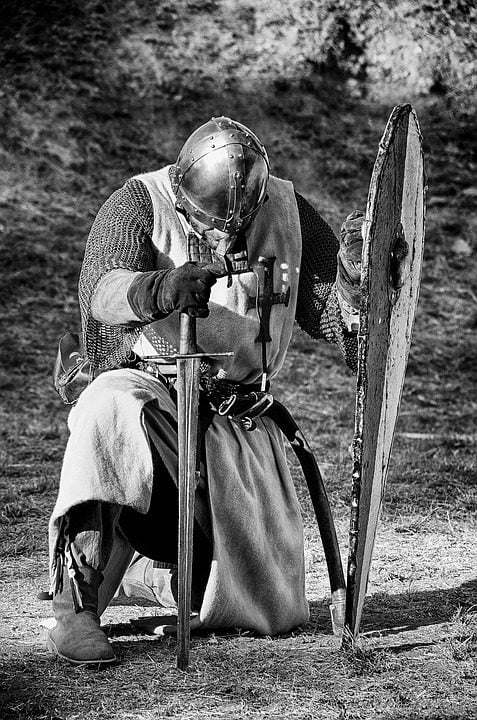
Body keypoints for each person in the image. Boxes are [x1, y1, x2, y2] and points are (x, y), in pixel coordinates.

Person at [46, 116, 363, 666]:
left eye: (237, 226)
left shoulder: (288, 214)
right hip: (157, 401)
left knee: (255, 608)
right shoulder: (139, 204)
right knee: (107, 407)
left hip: (240, 427)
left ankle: (154, 577)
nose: (225, 235)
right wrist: (160, 286)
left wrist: (358, 283)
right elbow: (104, 294)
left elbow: (337, 319)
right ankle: (76, 604)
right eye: (211, 224)